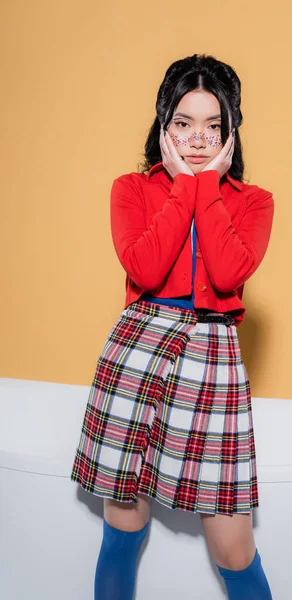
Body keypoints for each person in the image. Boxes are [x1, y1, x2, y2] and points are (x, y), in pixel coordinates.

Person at [70, 52, 275, 599]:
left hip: (214, 359)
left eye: (213, 125)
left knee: (233, 547)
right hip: (138, 350)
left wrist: (205, 185)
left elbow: (230, 273)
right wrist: (183, 186)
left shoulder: (254, 202)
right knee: (123, 528)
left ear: (231, 131)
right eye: (183, 124)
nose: (198, 139)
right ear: (164, 124)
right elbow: (145, 269)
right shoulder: (131, 190)